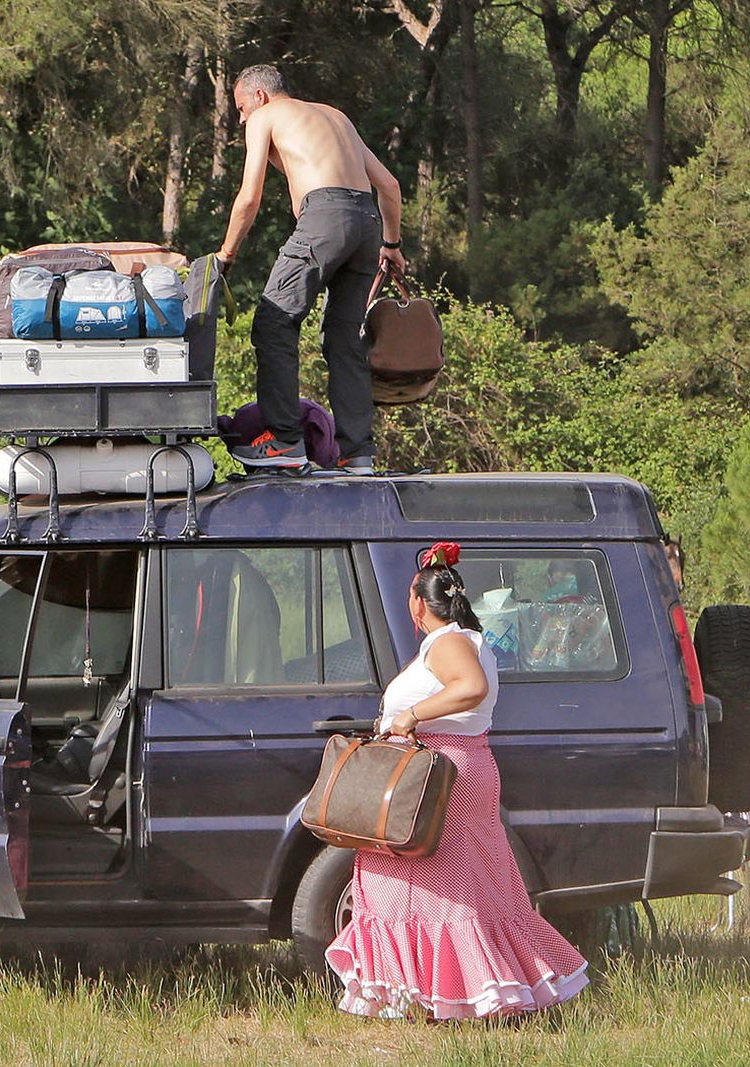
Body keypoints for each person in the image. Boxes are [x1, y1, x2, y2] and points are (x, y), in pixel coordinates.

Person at [325, 541, 588, 1020]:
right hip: (458, 769)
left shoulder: (448, 642)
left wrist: (409, 716)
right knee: (469, 886)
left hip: (437, 776)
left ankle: (449, 995)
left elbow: (470, 688)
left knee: (430, 887)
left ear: (418, 603)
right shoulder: (467, 639)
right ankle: (448, 994)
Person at [215, 63, 406, 474]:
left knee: (273, 320)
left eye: (240, 107)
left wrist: (226, 255)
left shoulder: (266, 116)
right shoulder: (336, 117)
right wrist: (391, 245)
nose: (241, 118)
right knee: (344, 340)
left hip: (325, 217)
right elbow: (388, 186)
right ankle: (358, 455)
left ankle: (284, 442)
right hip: (368, 224)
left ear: (260, 97)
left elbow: (249, 197)